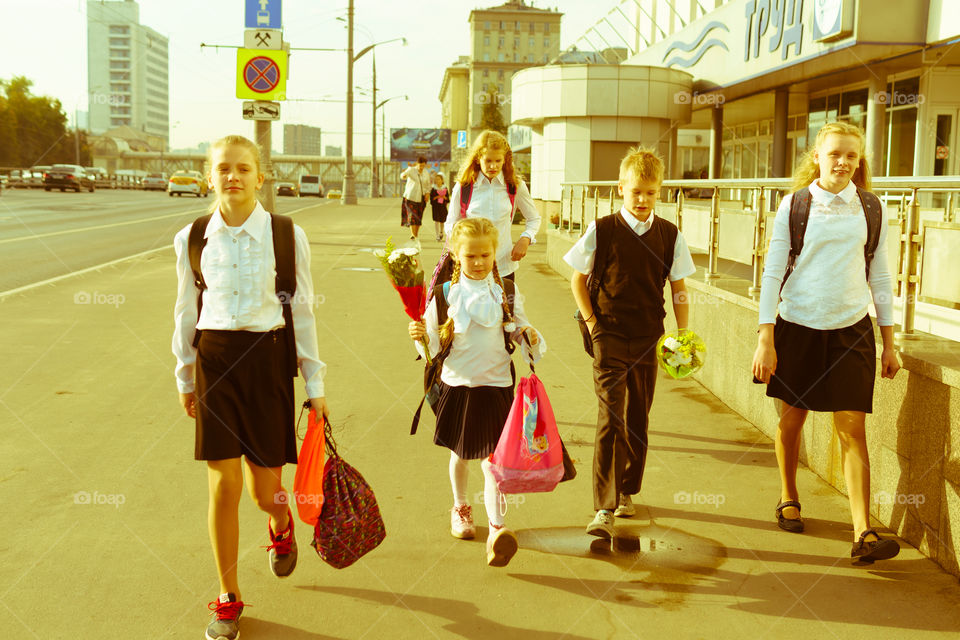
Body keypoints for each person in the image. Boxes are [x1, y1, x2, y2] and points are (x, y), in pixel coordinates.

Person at [172, 135, 330, 640]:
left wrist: (316, 381)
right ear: (209, 175)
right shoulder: (192, 237)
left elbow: (301, 310)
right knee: (224, 484)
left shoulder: (286, 235)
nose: (233, 177)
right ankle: (227, 598)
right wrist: (183, 372)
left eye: (243, 168)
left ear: (260, 176)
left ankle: (280, 528)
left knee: (266, 493)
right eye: (223, 168)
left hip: (266, 361)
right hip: (215, 362)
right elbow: (185, 311)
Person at [751, 121, 901, 563]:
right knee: (791, 420)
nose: (843, 162)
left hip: (852, 329)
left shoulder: (871, 208)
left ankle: (862, 532)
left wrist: (888, 340)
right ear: (817, 155)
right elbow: (773, 271)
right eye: (835, 153)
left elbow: (881, 274)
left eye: (851, 156)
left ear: (859, 162)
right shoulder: (795, 205)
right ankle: (788, 494)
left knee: (853, 428)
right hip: (796, 324)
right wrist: (766, 337)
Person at [565, 146, 695, 540]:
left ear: (660, 192)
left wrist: (682, 335)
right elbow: (576, 279)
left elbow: (680, 289)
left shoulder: (670, 235)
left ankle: (626, 491)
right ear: (621, 188)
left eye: (651, 193)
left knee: (638, 418)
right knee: (611, 419)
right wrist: (592, 323)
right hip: (608, 335)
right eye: (636, 191)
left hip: (650, 338)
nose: (643, 200)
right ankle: (602, 508)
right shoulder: (602, 230)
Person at [408, 217, 546, 567]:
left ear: (494, 253)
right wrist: (420, 337)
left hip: (498, 387)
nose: (480, 262)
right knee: (460, 455)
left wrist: (528, 335)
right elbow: (432, 347)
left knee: (493, 463)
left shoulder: (506, 292)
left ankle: (497, 531)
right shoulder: (444, 296)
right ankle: (460, 507)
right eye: (471, 256)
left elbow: (520, 330)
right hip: (457, 387)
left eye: (486, 254)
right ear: (456, 254)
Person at [445, 130, 540, 281]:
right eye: (488, 161)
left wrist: (525, 239)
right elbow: (450, 224)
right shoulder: (464, 186)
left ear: (505, 160)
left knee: (505, 304)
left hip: (504, 267)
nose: (493, 166)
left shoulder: (515, 186)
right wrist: (458, 246)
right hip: (471, 268)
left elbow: (534, 218)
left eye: (498, 161)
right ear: (478, 159)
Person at [400, 155, 431, 245]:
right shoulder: (411, 170)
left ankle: (416, 235)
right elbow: (402, 176)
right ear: (417, 164)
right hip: (411, 197)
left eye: (423, 166)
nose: (421, 167)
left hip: (421, 198)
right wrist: (404, 175)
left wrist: (427, 194)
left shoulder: (426, 173)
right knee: (413, 216)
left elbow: (428, 185)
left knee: (419, 218)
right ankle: (413, 235)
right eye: (420, 165)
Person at [430, 171, 449, 242]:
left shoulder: (445, 188)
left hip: (443, 207)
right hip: (435, 207)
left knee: (442, 221)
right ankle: (437, 235)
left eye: (439, 179)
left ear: (442, 180)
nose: (437, 181)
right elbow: (431, 199)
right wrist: (437, 196)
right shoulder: (433, 189)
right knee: (436, 221)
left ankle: (441, 232)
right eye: (436, 179)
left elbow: (448, 199)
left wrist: (444, 197)